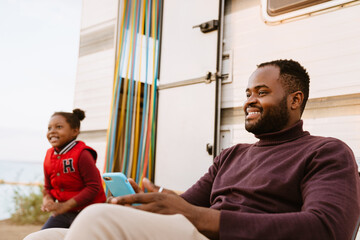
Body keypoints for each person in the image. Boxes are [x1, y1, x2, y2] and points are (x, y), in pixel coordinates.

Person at [25, 60, 360, 240]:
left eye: (261, 92)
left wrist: (199, 217)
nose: (248, 101)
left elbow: (327, 229)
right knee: (44, 239)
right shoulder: (233, 154)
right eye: (247, 92)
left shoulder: (326, 152)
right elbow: (189, 203)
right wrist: (158, 196)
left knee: (97, 217)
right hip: (198, 232)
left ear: (295, 99)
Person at [40, 109, 106, 229]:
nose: (52, 132)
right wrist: (48, 200)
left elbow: (93, 187)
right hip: (64, 213)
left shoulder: (82, 154)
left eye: (59, 127)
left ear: (75, 131)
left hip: (89, 212)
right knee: (41, 236)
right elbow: (48, 187)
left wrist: (66, 205)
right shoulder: (49, 155)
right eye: (49, 128)